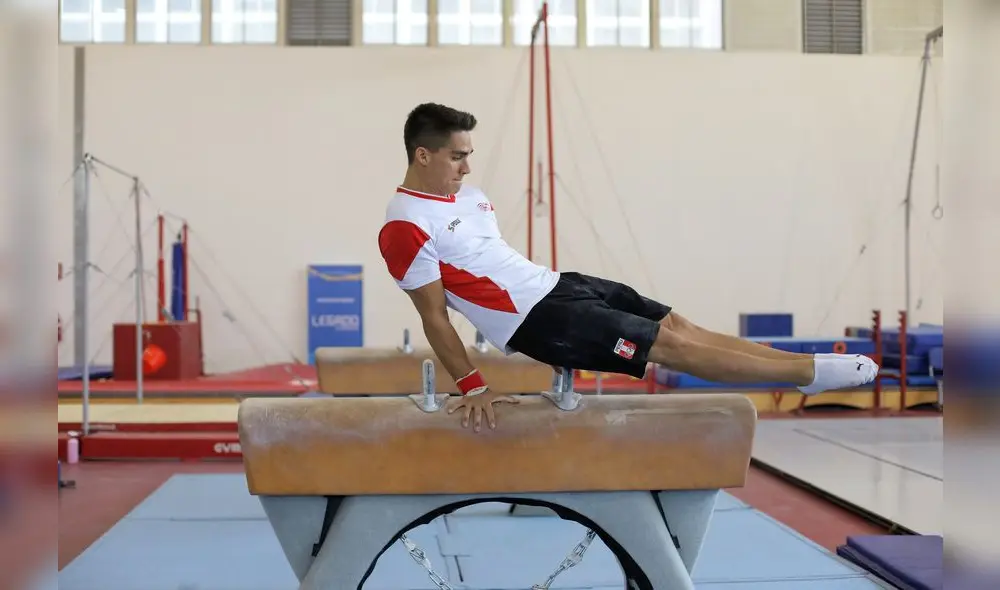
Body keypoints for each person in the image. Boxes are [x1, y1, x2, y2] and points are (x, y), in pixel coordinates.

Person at [377, 103, 879, 432]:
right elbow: (435, 317)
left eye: (469, 156)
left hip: (558, 285)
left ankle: (801, 367)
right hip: (539, 320)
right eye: (457, 157)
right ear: (423, 155)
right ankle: (807, 373)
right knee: (672, 349)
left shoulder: (470, 196)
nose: (467, 167)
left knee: (681, 326)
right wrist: (473, 384)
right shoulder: (405, 225)